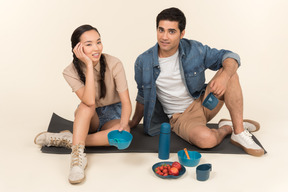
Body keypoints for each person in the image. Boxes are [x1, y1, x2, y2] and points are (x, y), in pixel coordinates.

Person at [129, 7, 264, 157]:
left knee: (231, 73)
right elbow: (142, 95)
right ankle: (227, 128)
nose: (164, 37)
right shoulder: (144, 61)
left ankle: (239, 132)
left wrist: (224, 76)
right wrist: (134, 122)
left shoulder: (195, 49)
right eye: (161, 30)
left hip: (204, 102)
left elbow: (231, 56)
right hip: (182, 117)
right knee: (207, 140)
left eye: (171, 31)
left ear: (182, 34)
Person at [34, 24, 132, 184]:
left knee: (125, 130)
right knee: (87, 105)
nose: (96, 48)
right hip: (89, 115)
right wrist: (88, 64)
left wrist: (123, 124)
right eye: (89, 44)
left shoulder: (115, 63)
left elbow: (126, 102)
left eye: (98, 42)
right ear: (77, 49)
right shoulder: (70, 71)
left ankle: (72, 140)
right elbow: (89, 101)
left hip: (113, 113)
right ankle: (78, 160)